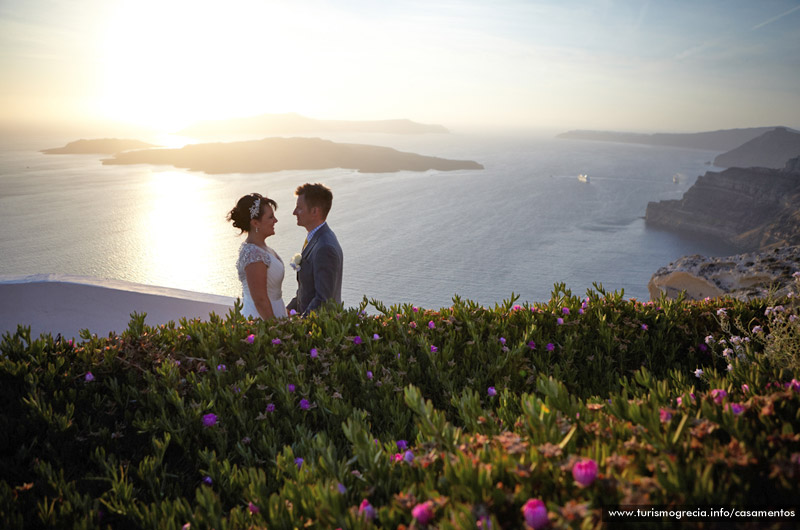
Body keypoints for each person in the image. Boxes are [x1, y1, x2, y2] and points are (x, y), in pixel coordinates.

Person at [227, 193, 287, 320]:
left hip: (277, 310)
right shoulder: (254, 254)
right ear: (255, 223)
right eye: (270, 217)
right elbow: (260, 300)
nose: (275, 220)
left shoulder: (263, 249)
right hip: (262, 318)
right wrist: (275, 327)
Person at [287, 183, 343, 315]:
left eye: (299, 208)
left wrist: (300, 325)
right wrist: (289, 310)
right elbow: (306, 290)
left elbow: (323, 300)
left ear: (314, 211)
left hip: (316, 329)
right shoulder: (315, 238)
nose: (294, 212)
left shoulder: (325, 247)